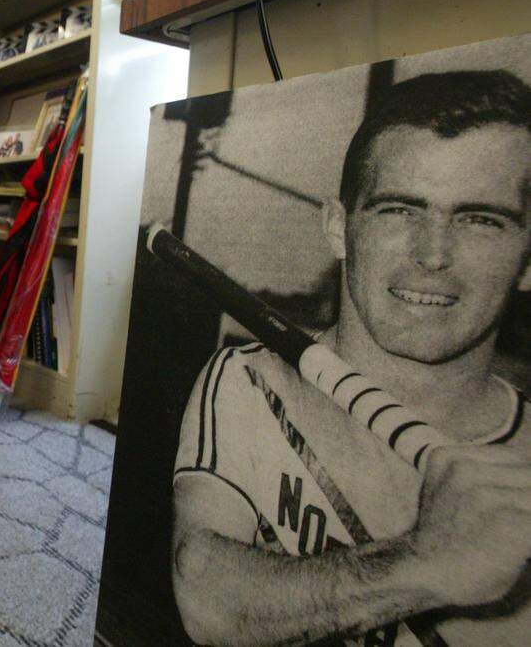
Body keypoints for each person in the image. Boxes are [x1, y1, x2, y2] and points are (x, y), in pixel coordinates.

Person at [171, 69, 531, 645]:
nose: (433, 256)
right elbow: (206, 594)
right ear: (339, 229)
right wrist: (422, 566)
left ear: (528, 257)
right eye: (399, 211)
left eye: (480, 221)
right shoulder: (251, 378)